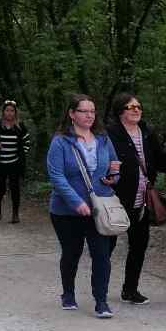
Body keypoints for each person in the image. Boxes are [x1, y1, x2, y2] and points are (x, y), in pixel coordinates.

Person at [46, 94, 122, 318]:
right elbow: (57, 176)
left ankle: (101, 301)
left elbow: (114, 165)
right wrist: (76, 202)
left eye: (92, 111)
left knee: (102, 254)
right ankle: (68, 293)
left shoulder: (103, 139)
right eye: (84, 111)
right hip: (66, 211)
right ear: (72, 114)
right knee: (72, 252)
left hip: (99, 207)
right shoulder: (60, 142)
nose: (89, 115)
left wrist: (113, 177)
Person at [105, 91, 166, 305]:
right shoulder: (110, 134)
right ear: (120, 111)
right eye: (131, 107)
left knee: (139, 245)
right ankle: (99, 288)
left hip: (142, 200)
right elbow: (100, 161)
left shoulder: (147, 132)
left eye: (139, 106)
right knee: (107, 246)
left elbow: (160, 159)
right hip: (117, 199)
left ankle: (130, 289)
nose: (137, 110)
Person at [0, 99, 32, 223]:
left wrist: (23, 153)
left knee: (15, 189)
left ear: (15, 112)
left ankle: (15, 214)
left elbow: (27, 141)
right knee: (0, 188)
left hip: (14, 163)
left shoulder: (20, 126)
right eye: (7, 110)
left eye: (12, 111)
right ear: (3, 112)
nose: (9, 113)